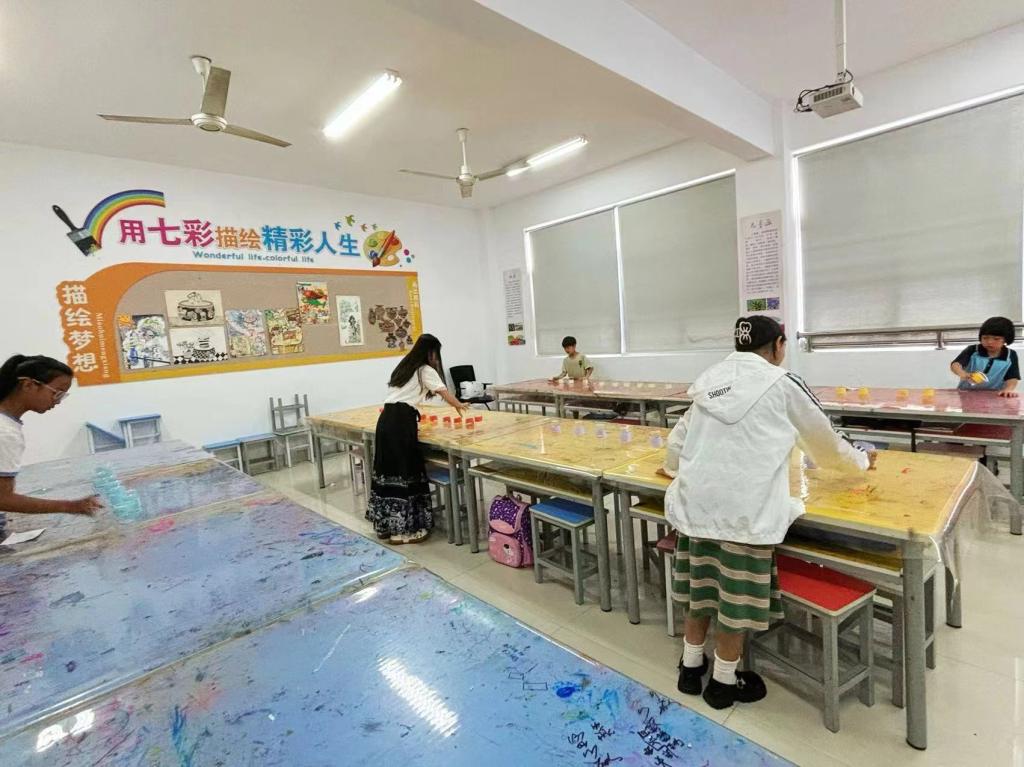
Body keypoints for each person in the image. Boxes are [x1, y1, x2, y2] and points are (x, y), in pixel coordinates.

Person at [659, 317, 873, 710]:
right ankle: (724, 682)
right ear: (777, 345)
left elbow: (676, 443)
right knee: (734, 601)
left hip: (696, 506)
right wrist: (860, 460)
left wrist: (677, 470)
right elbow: (826, 445)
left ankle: (690, 666)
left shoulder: (709, 381)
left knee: (700, 590)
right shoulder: (783, 383)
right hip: (745, 513)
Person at [367, 334, 468, 544]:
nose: (437, 358)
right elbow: (444, 393)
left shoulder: (404, 368)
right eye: (436, 354)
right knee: (407, 471)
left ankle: (387, 527)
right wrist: (459, 405)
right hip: (401, 421)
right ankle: (406, 532)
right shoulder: (425, 370)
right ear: (430, 352)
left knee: (388, 471)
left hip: (385, 420)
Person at [0, 355, 100, 535]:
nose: (57, 401)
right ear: (28, 385)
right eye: (57, 393)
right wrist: (71, 506)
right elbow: (3, 499)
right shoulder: (5, 432)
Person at [950, 316, 1019, 397]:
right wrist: (963, 374)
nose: (989, 342)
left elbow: (1012, 377)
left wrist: (1009, 389)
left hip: (995, 396)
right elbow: (955, 364)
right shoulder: (973, 350)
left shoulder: (1011, 355)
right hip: (966, 393)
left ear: (1006, 339)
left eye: (996, 339)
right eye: (985, 338)